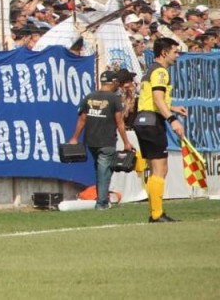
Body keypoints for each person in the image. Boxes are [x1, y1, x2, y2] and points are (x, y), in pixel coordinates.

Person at [133, 37, 187, 223]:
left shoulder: (150, 69)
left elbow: (151, 98)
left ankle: (155, 211)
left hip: (142, 119)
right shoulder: (161, 71)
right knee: (160, 169)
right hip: (151, 121)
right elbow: (157, 98)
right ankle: (156, 214)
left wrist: (172, 107)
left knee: (156, 168)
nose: (177, 55)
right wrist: (172, 120)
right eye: (175, 51)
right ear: (164, 52)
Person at [67, 69, 133, 210]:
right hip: (107, 140)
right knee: (104, 171)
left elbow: (82, 119)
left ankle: (102, 198)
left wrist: (74, 138)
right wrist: (127, 142)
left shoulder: (89, 96)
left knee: (99, 169)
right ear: (113, 82)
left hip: (90, 141)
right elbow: (119, 122)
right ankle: (102, 202)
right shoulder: (114, 99)